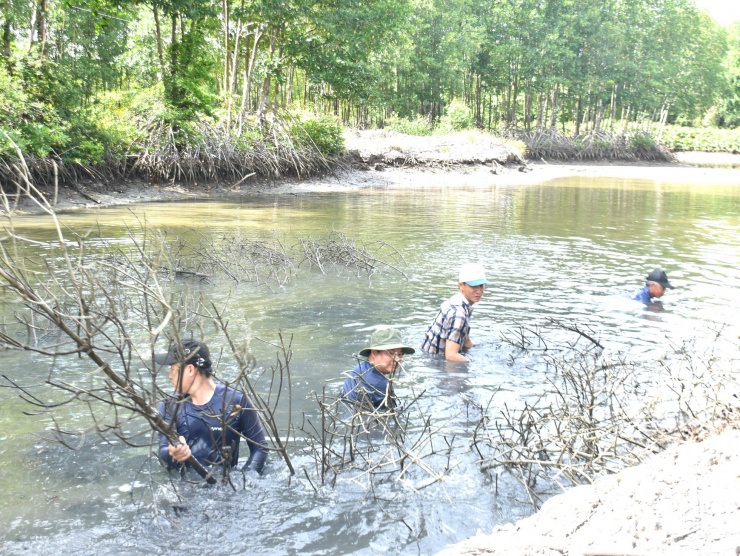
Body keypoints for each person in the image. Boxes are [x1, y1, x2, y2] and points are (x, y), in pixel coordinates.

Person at [155, 339, 268, 474]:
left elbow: (259, 448)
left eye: (173, 370)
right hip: (186, 487)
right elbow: (162, 453)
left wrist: (245, 480)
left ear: (190, 369)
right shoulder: (170, 404)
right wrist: (173, 452)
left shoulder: (235, 401)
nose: (170, 376)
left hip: (226, 485)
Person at [421, 262, 489, 362]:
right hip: (435, 362)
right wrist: (477, 363)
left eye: (481, 286)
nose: (479, 291)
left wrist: (480, 350)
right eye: (474, 286)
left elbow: (465, 340)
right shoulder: (458, 313)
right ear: (461, 285)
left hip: (428, 355)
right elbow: (451, 356)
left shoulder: (456, 301)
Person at [342, 327, 415, 410]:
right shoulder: (380, 383)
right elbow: (392, 414)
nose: (397, 359)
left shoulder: (357, 370)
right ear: (374, 353)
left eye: (400, 354)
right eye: (390, 353)